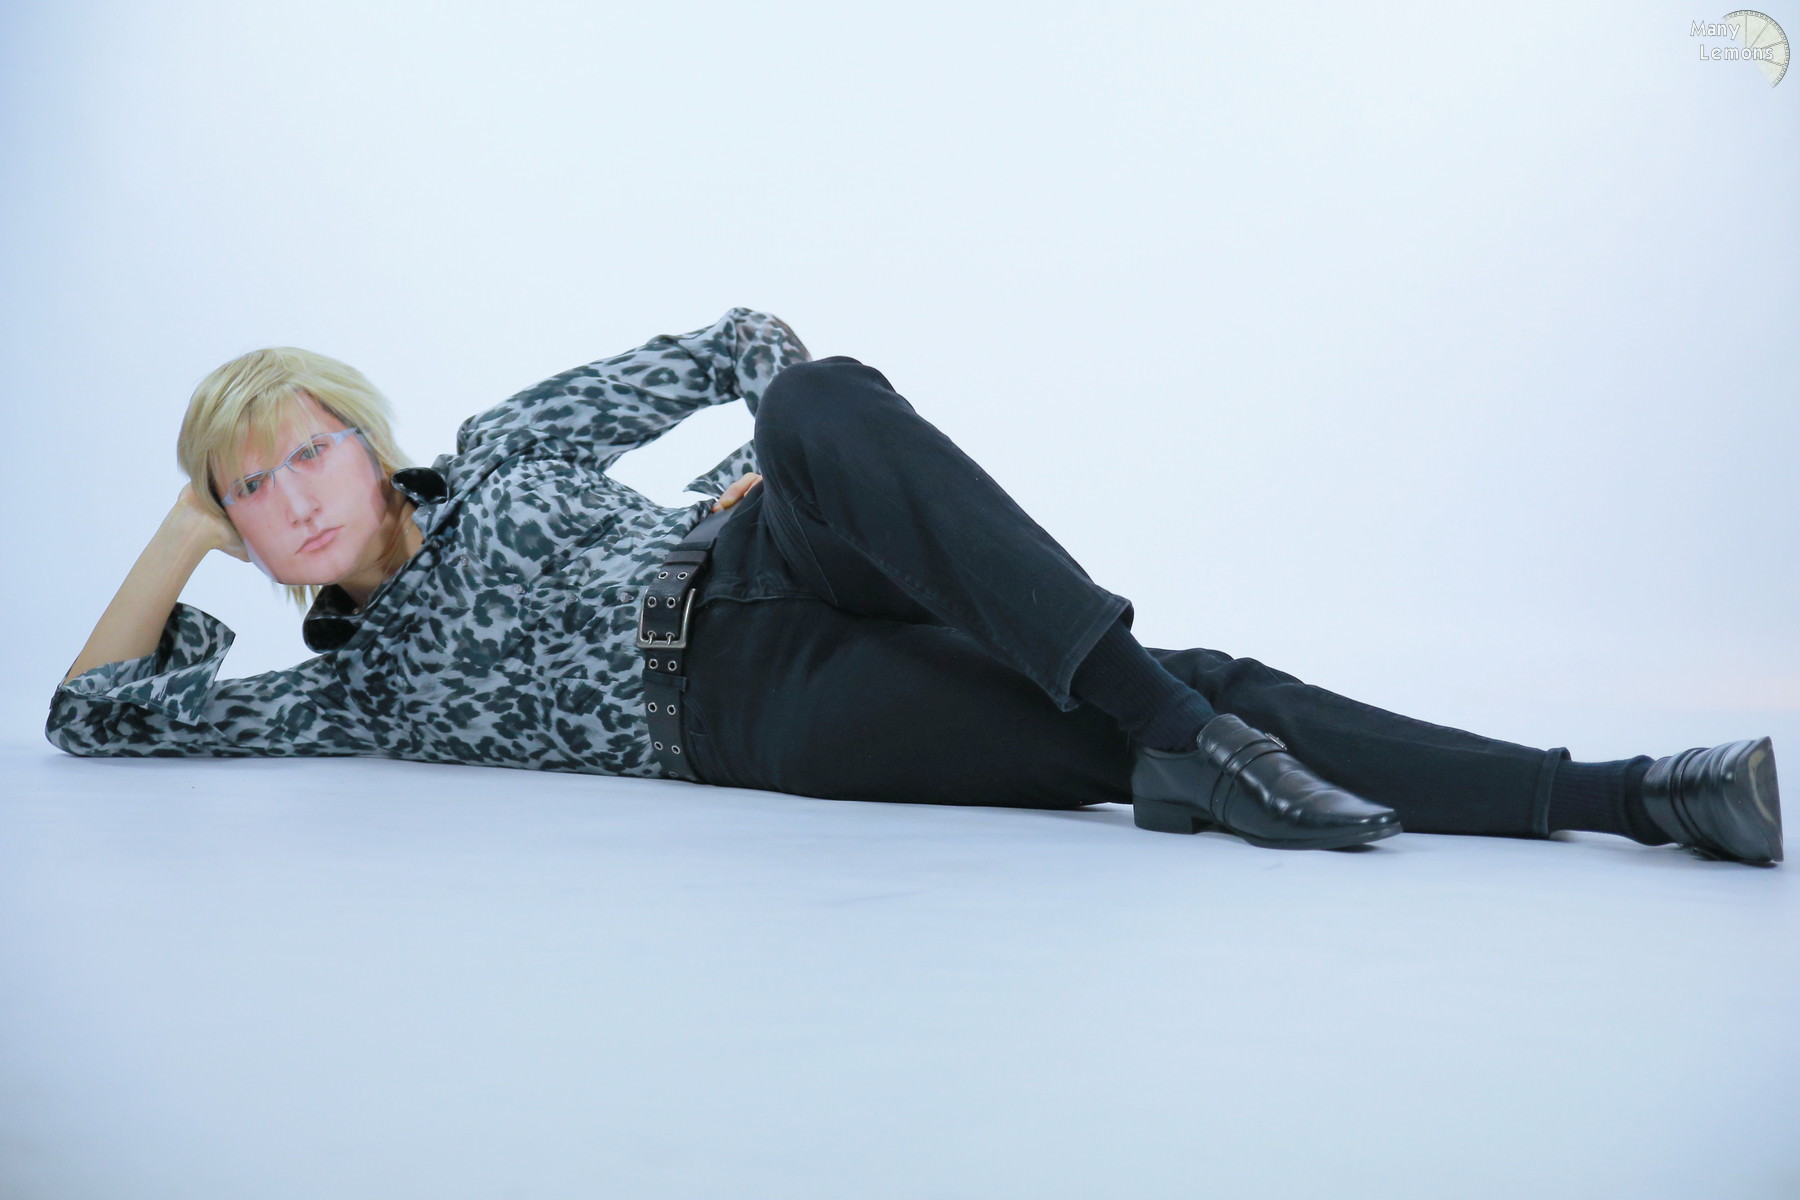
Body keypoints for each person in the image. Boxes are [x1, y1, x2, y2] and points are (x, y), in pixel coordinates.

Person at [48, 308, 1784, 866]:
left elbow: (742, 343)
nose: (291, 498)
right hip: (748, 710)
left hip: (768, 550)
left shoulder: (505, 446)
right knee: (1177, 695)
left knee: (815, 400)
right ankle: (1637, 796)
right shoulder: (347, 690)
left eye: (307, 452)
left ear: (368, 442)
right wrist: (174, 537)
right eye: (247, 490)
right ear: (237, 529)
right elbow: (90, 716)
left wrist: (754, 480)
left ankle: (1186, 743)